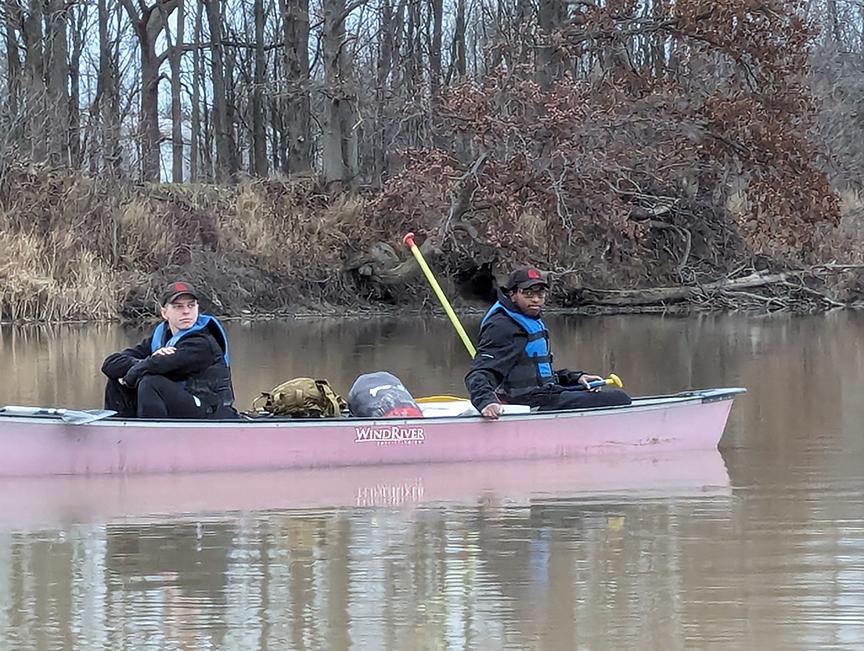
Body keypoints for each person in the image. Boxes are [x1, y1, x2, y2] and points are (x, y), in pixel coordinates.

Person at [465, 266, 631, 419]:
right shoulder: (503, 326)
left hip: (543, 394)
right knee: (620, 398)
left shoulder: (526, 318)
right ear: (512, 294)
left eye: (540, 294)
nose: (536, 299)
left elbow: (534, 373)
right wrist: (486, 402)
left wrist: (576, 378)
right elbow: (479, 373)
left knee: (594, 390)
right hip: (530, 402)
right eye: (528, 294)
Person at [101, 281, 237, 419]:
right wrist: (144, 363)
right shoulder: (160, 338)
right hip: (182, 406)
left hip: (211, 411)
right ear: (165, 313)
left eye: (191, 306)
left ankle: (151, 435)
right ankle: (117, 429)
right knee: (116, 380)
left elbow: (161, 365)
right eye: (178, 307)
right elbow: (110, 364)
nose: (186, 311)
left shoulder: (202, 342)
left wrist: (133, 374)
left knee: (151, 383)